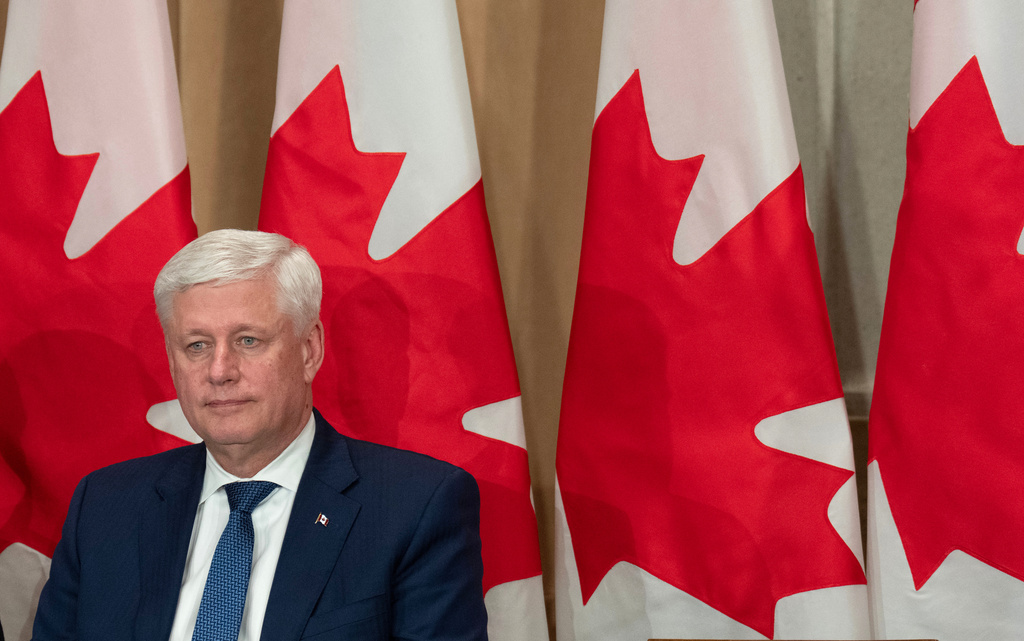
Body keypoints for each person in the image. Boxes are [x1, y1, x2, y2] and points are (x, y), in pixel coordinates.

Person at [32, 229, 488, 640]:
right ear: (173, 363)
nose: (220, 371)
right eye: (197, 345)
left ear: (309, 351)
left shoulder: (415, 507)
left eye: (248, 340)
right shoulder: (105, 505)